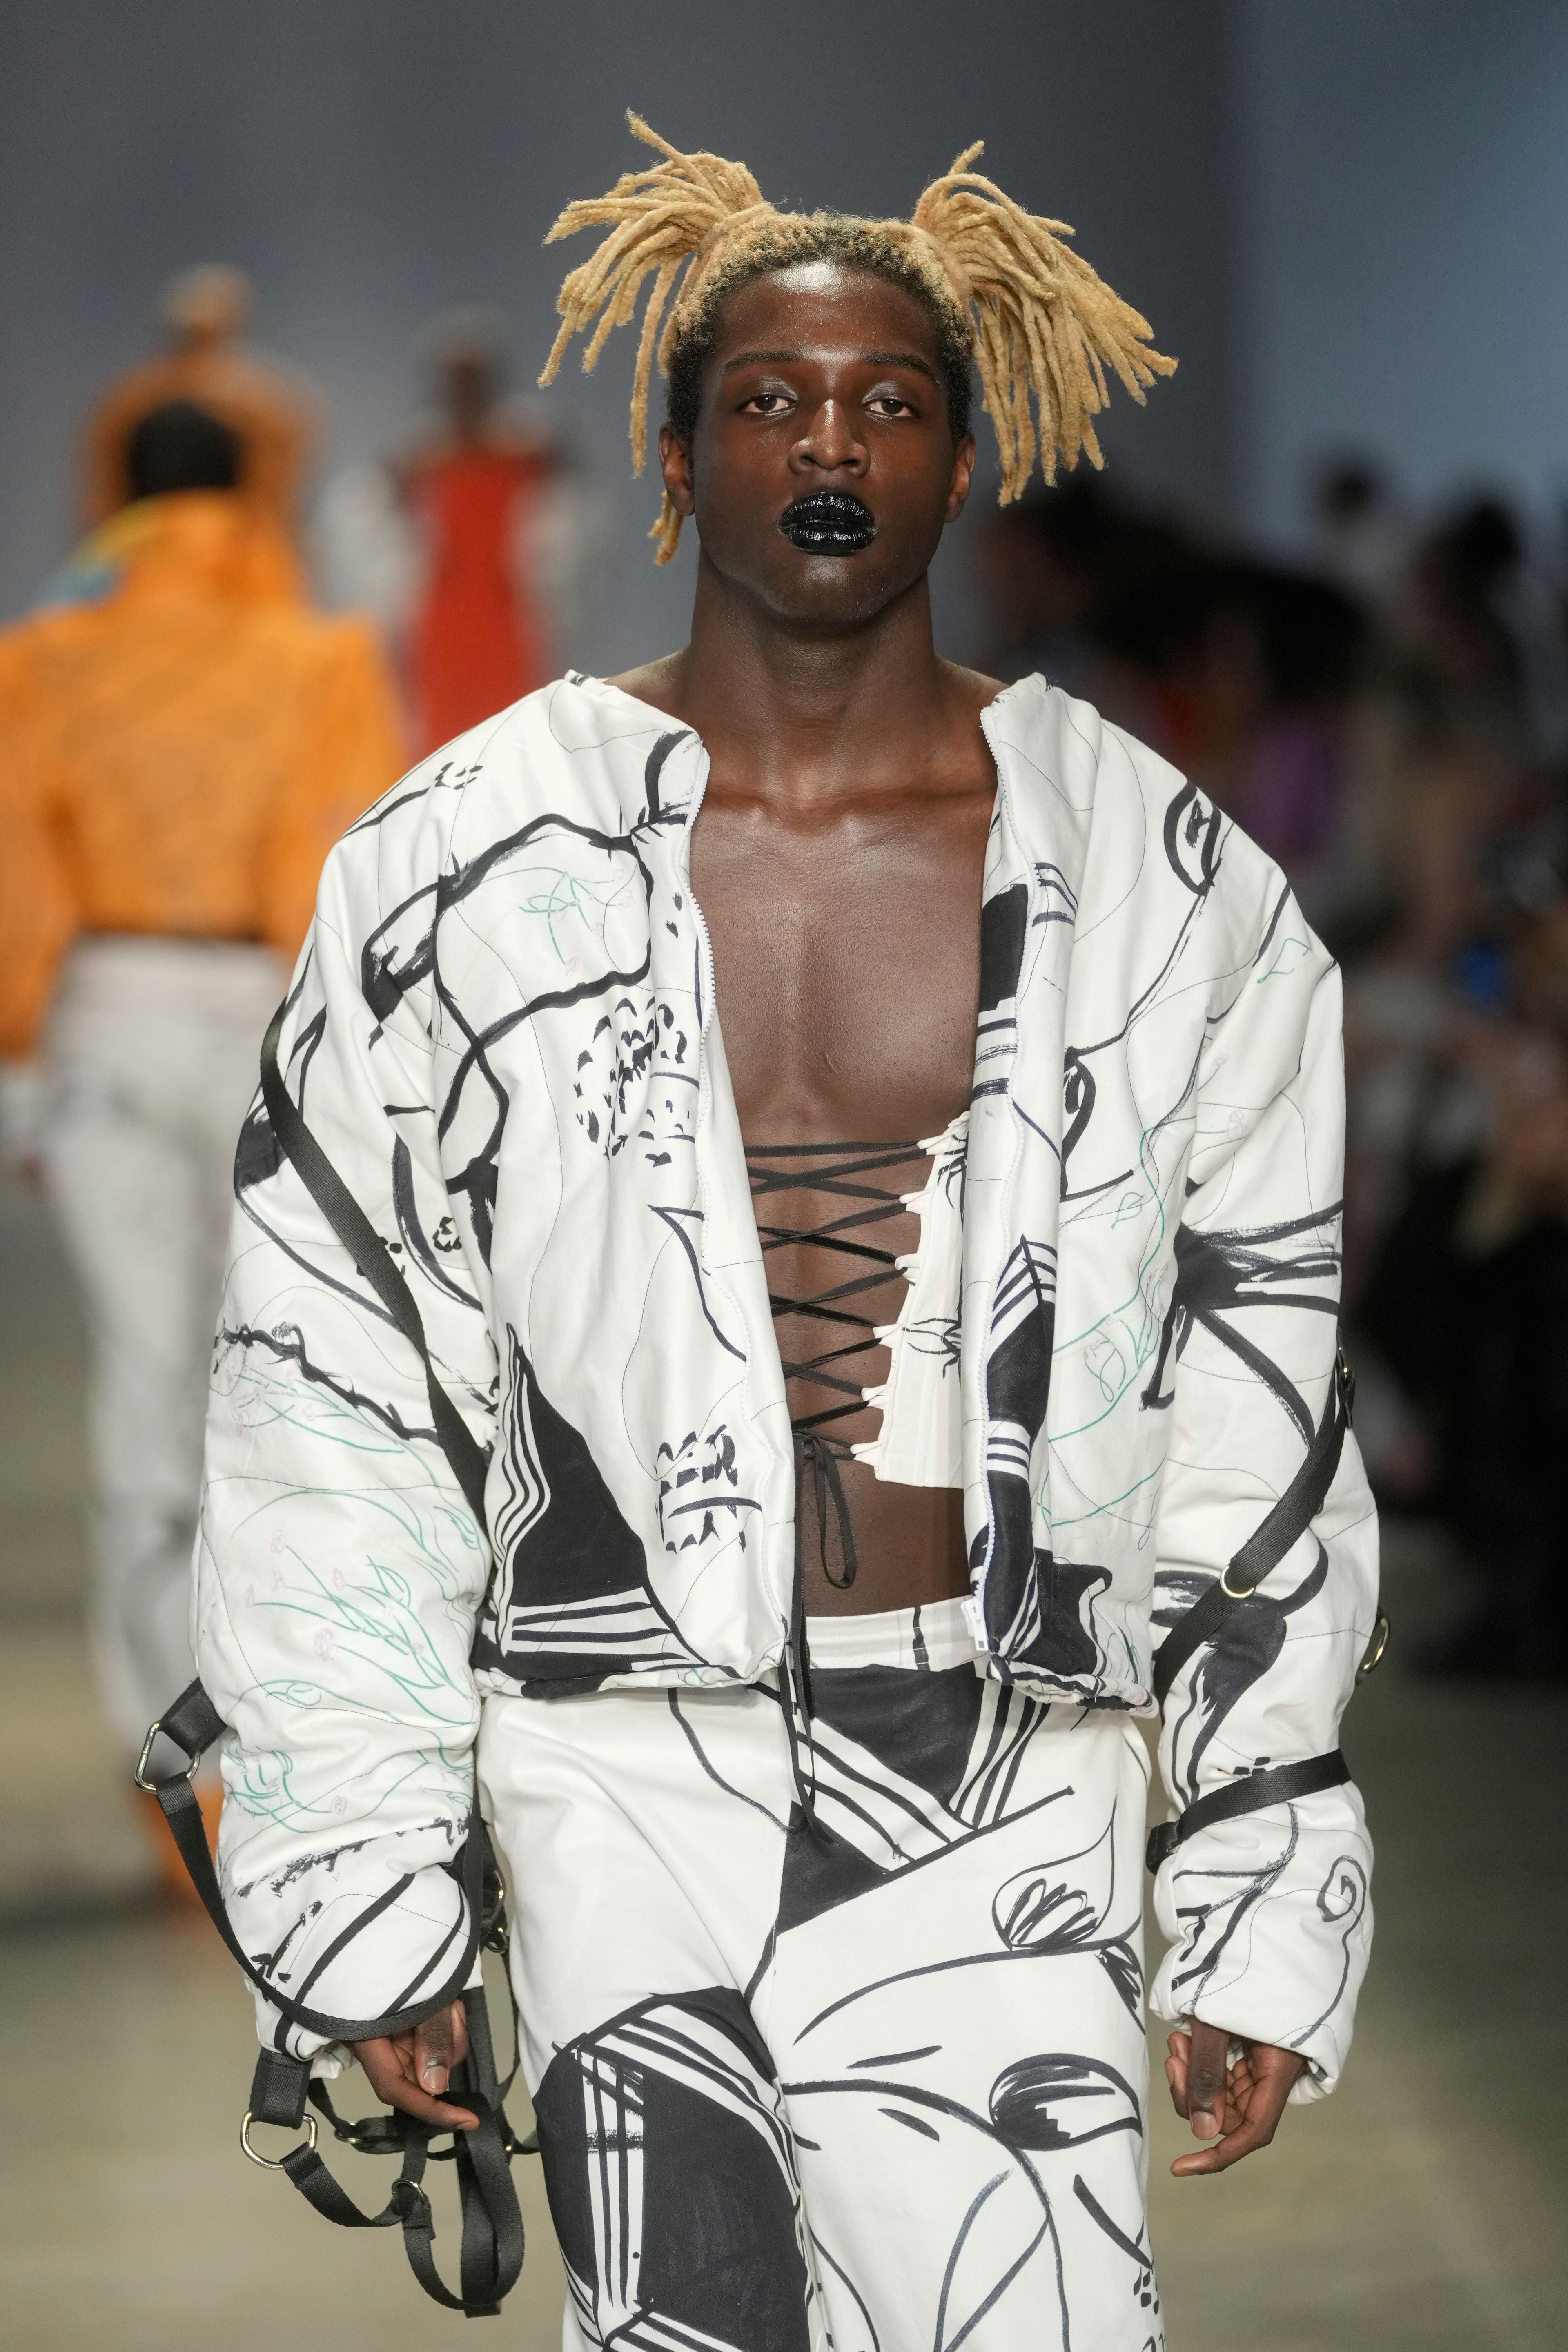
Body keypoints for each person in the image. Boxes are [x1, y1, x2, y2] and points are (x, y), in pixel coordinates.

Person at [195, 120, 1379, 2349]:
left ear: (963, 467)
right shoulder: (459, 867)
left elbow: (1260, 1386)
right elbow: (332, 1381)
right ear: (671, 458)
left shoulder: (1161, 881)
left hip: (1011, 1762)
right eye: (765, 402)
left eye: (888, 406)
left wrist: (1257, 1859)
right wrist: (364, 1876)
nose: (826, 447)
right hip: (607, 1750)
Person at [0, 399, 404, 1881]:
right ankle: (295, 1733)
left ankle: (169, 1754)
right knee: (278, 1381)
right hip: (264, 1014)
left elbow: (17, 863)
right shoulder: (323, 658)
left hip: (105, 1008)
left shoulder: (40, 660)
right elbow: (353, 853)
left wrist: (23, 1049)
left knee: (150, 1375)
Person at [81, 265, 316, 534]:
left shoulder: (267, 403)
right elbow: (104, 492)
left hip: (173, 543)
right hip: (194, 545)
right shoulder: (269, 402)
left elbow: (277, 495)